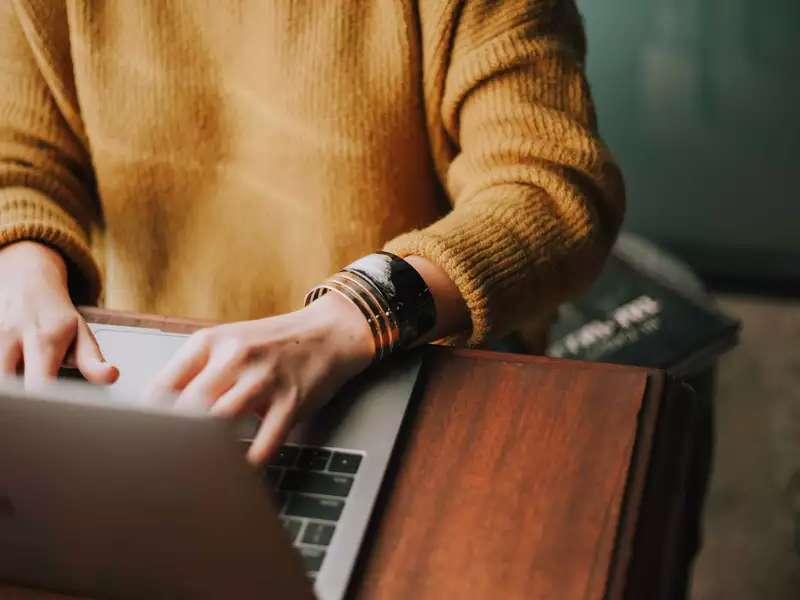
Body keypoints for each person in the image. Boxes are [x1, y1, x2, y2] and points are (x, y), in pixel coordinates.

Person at [0, 1, 624, 464]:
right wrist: (24, 266)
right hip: (141, 380)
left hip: (403, 369)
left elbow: (550, 189)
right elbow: (18, 164)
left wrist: (354, 316)